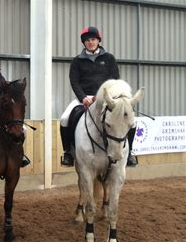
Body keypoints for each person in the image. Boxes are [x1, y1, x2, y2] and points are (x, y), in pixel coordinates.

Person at [59, 26, 137, 167]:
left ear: (98, 40)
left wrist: (99, 97)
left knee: (133, 121)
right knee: (64, 118)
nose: (90, 42)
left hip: (106, 98)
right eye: (87, 40)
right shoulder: (77, 61)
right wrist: (83, 98)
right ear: (84, 43)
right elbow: (74, 82)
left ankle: (129, 152)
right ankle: (68, 153)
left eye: (93, 39)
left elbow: (114, 79)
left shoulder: (109, 58)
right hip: (83, 98)